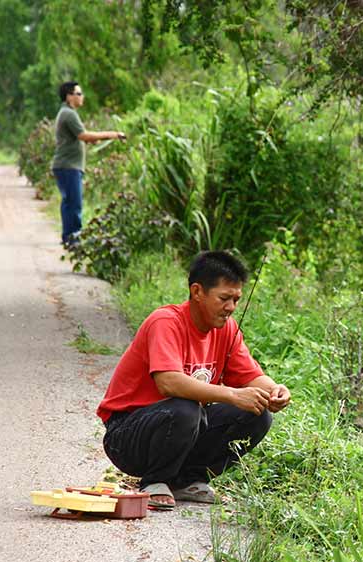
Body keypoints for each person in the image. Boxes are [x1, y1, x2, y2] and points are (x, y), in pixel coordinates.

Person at [97, 251, 291, 509]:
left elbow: (252, 376)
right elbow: (169, 383)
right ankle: (155, 480)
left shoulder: (227, 329)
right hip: (126, 436)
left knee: (258, 414)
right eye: (224, 298)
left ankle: (187, 480)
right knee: (187, 407)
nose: (231, 307)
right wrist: (233, 394)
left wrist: (275, 390)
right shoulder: (165, 322)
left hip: (180, 425)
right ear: (197, 291)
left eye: (236, 299)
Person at [51, 81, 126, 247]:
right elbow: (84, 136)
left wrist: (94, 139)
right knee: (74, 203)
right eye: (79, 94)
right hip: (68, 166)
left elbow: (77, 137)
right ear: (69, 96)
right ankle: (73, 238)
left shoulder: (67, 112)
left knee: (68, 202)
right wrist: (112, 135)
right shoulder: (69, 114)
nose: (81, 97)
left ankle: (68, 237)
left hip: (66, 165)